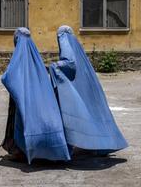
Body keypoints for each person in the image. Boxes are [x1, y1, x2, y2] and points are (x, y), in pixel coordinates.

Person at [49, 25, 128, 154]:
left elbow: (70, 63)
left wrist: (54, 65)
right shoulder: (77, 46)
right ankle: (101, 144)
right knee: (92, 113)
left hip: (76, 86)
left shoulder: (64, 39)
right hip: (85, 86)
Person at [1, 27, 70, 164]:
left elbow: (8, 77)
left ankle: (21, 152)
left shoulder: (19, 54)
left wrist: (14, 87)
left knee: (21, 122)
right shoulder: (35, 55)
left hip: (21, 98)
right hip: (37, 98)